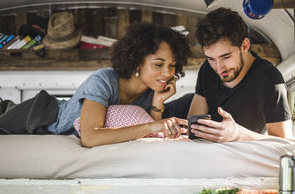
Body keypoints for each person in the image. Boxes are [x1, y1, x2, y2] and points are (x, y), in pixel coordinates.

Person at [46, 23, 191, 147]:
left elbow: (153, 135)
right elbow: (90, 138)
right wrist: (151, 126)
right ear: (136, 62)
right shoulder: (102, 81)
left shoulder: (152, 90)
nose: (167, 73)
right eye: (158, 64)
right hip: (41, 118)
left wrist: (158, 102)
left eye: (172, 65)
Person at [188, 7, 292, 142]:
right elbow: (194, 130)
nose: (219, 68)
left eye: (226, 57)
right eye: (211, 59)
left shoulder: (270, 79)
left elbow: (284, 143)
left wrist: (237, 134)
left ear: (244, 46)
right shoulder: (207, 70)